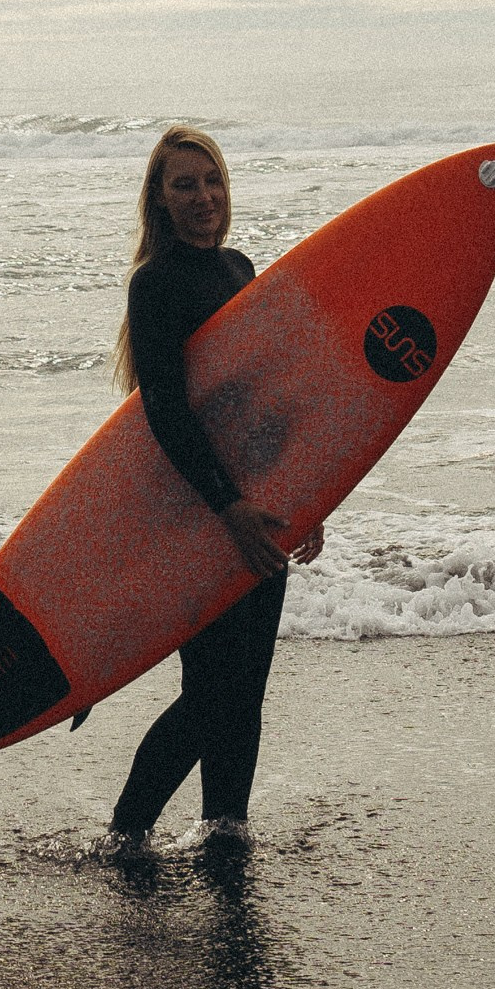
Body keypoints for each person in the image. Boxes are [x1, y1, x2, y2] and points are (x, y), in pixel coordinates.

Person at [108, 125, 323, 849]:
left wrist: (306, 496)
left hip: (258, 510)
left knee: (246, 691)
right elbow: (166, 412)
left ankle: (225, 825)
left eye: (213, 181)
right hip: (199, 512)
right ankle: (126, 830)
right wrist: (226, 507)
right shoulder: (156, 284)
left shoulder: (239, 266)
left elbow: (267, 401)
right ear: (160, 200)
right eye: (185, 185)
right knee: (209, 695)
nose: (204, 197)